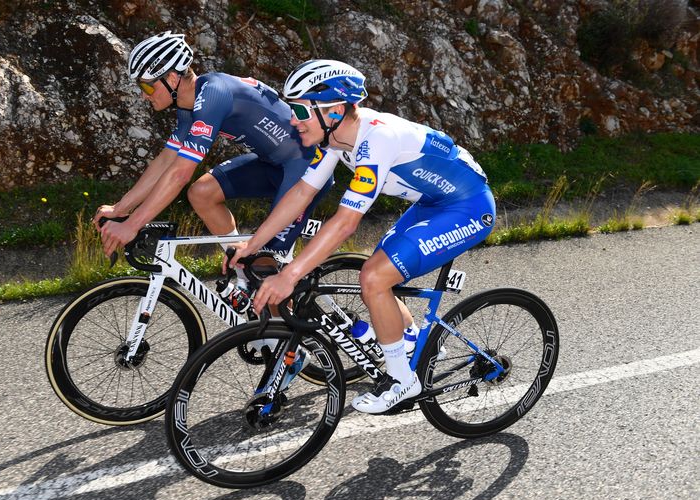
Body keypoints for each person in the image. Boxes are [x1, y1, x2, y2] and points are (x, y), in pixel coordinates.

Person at [229, 59, 496, 414]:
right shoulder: (336, 139)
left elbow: (345, 223)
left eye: (300, 110)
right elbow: (301, 194)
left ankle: (402, 381)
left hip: (468, 207)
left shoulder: (376, 139)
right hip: (432, 203)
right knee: (377, 273)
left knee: (374, 277)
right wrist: (254, 244)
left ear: (335, 111)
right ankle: (413, 344)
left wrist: (290, 275)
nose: (292, 120)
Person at [93, 32, 333, 286]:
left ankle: (270, 295)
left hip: (306, 168)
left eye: (147, 86)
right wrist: (120, 209)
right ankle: (243, 273)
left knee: (265, 271)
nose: (144, 95)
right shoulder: (189, 106)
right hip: (274, 163)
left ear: (171, 78)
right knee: (202, 193)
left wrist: (132, 225)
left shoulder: (213, 95)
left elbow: (180, 173)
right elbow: (166, 162)